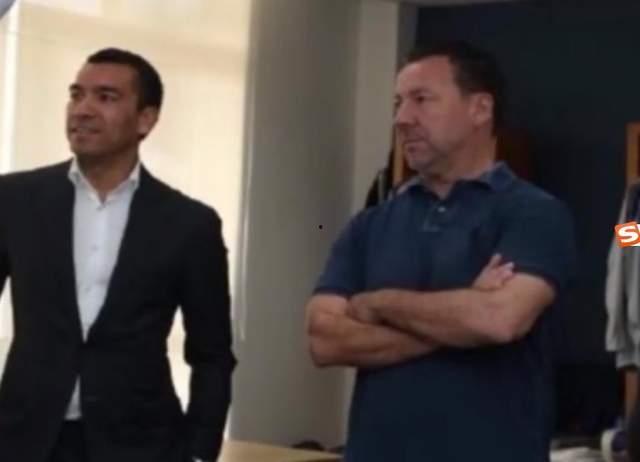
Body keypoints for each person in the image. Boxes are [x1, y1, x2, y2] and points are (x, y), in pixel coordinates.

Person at [306, 41, 575, 462]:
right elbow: (324, 341)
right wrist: (462, 316)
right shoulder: (369, 224)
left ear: (480, 109)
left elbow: (499, 320)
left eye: (421, 99)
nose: (401, 118)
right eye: (398, 103)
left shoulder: (536, 214)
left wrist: (378, 303)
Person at [0, 48, 235, 462]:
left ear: (146, 119)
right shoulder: (14, 200)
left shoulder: (189, 224)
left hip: (142, 444)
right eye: (76, 95)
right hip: (25, 441)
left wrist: (199, 451)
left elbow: (211, 353)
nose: (83, 110)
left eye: (105, 97)